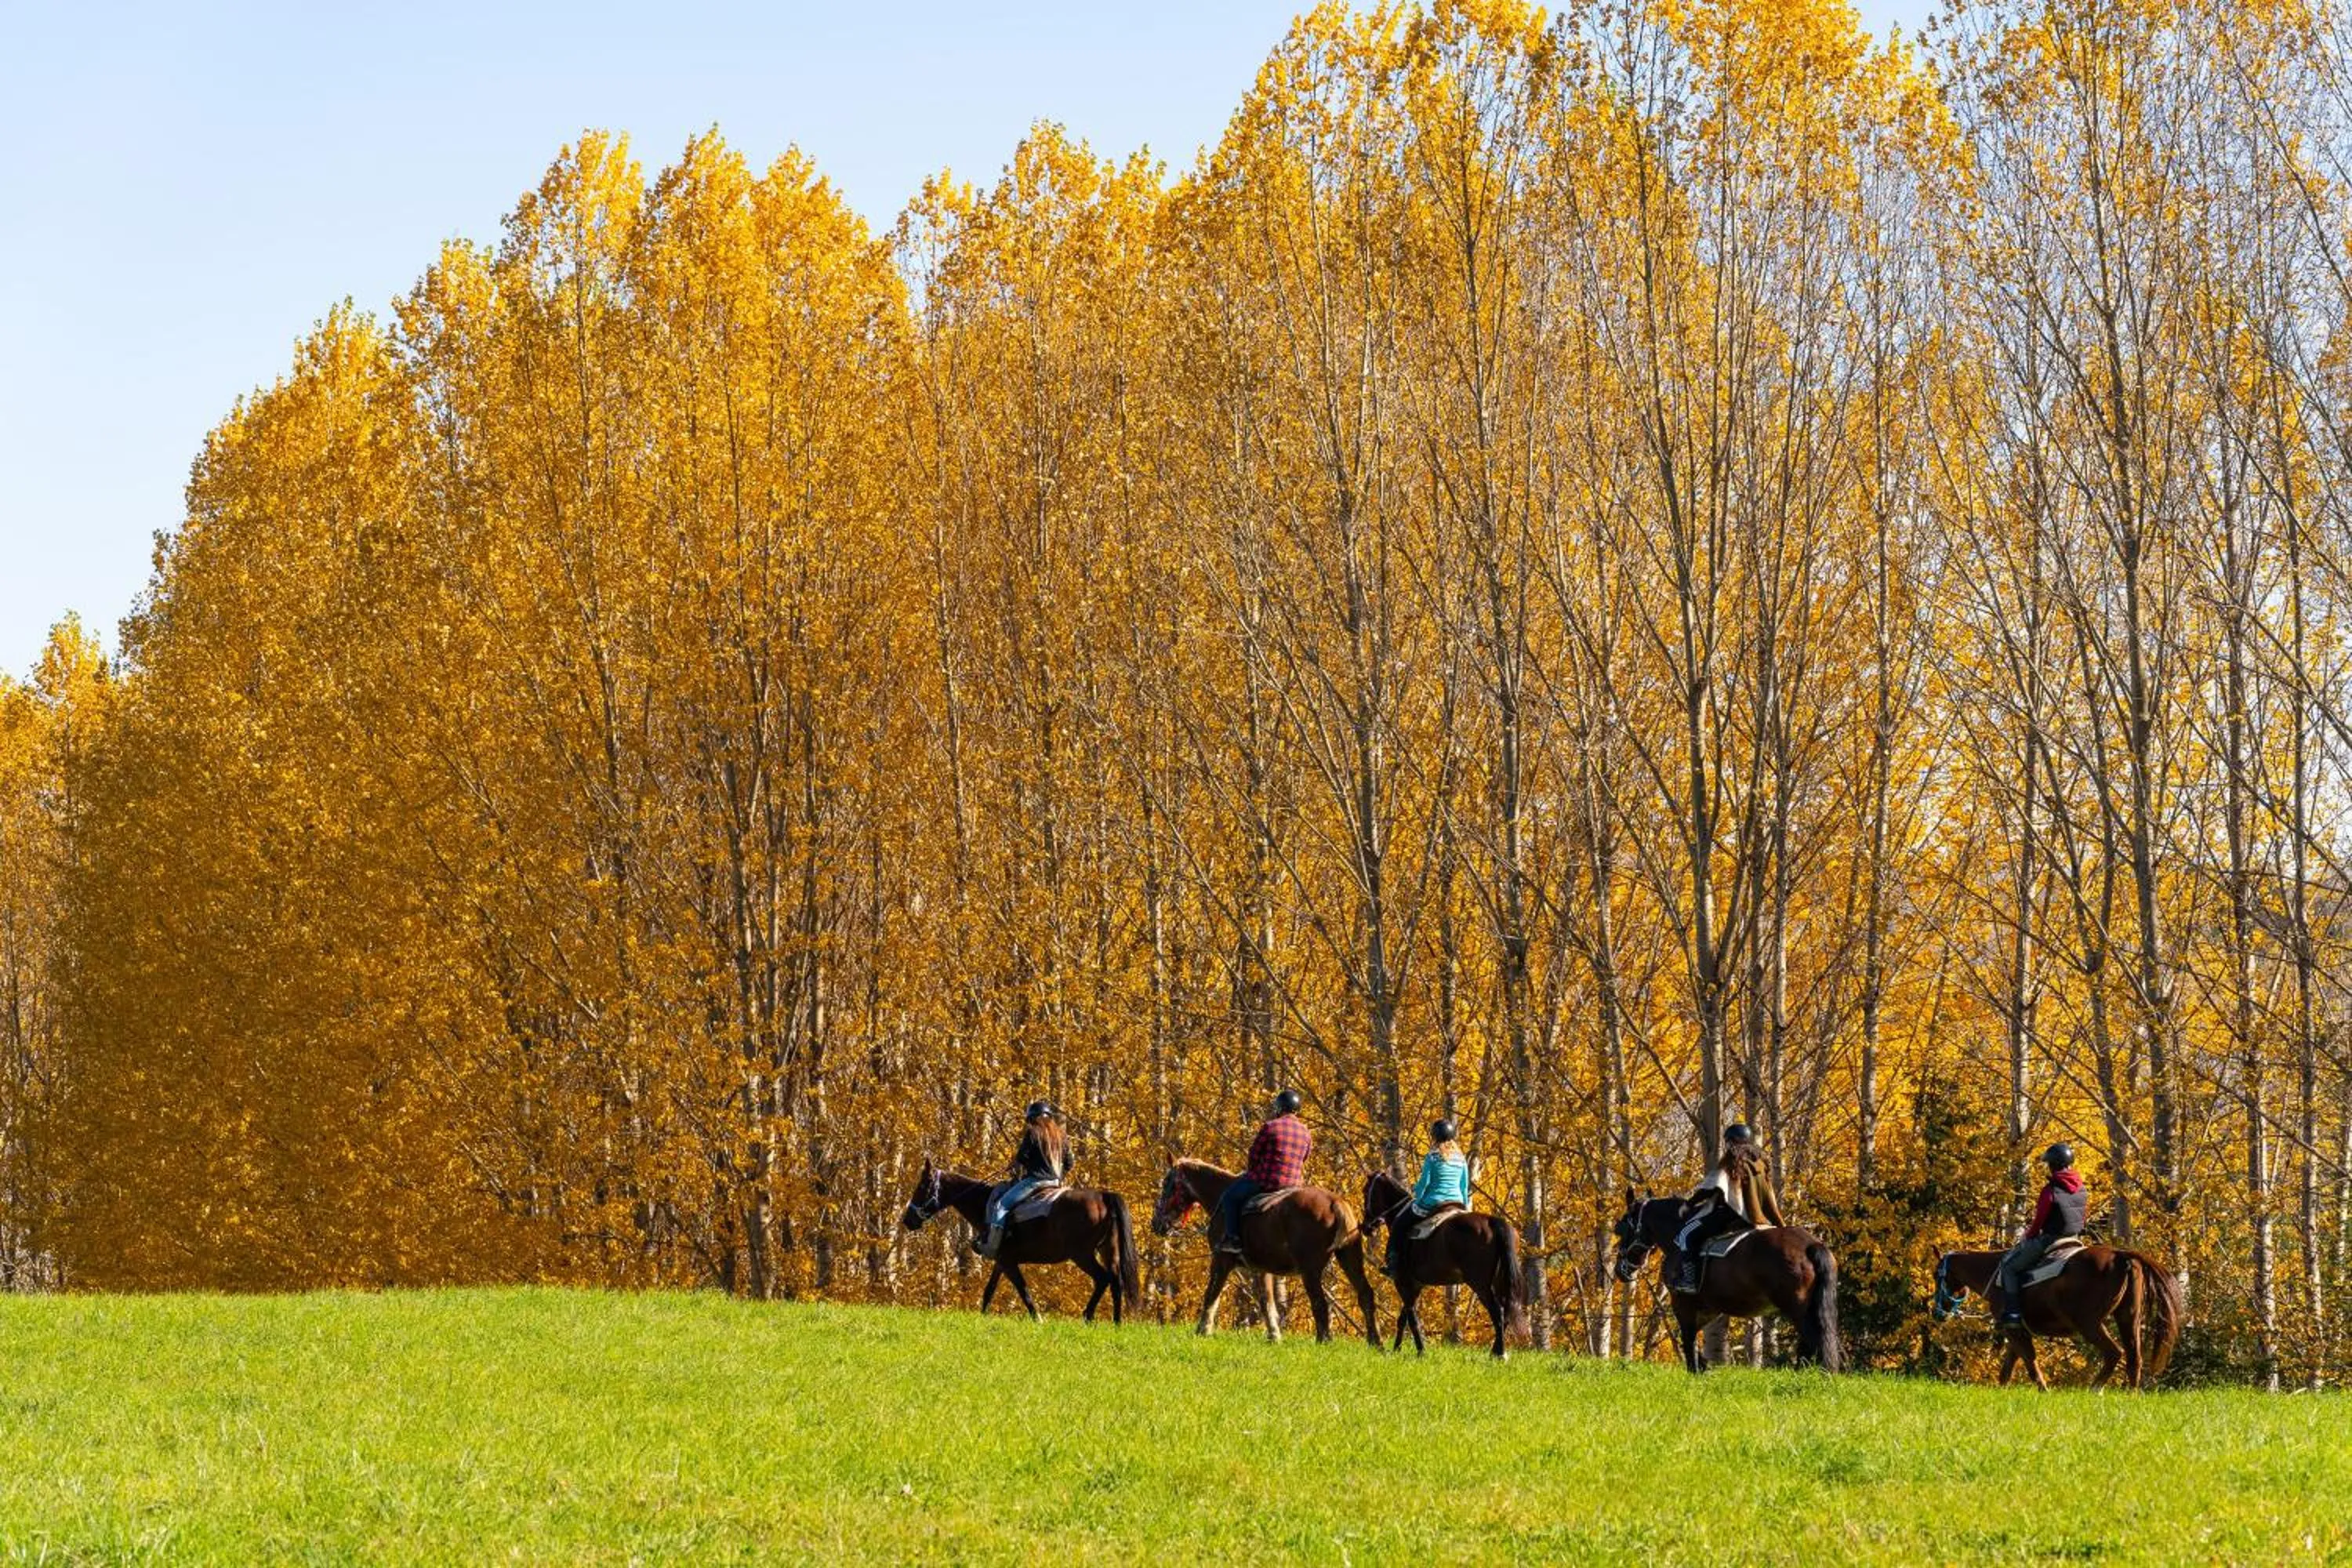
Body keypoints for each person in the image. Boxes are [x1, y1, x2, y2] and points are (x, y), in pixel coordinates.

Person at [1671, 1122, 1785, 1294]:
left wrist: (1689, 1204)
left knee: (1686, 1234)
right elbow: (1767, 1195)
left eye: (1728, 1141)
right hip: (1757, 1216)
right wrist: (1780, 1223)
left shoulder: (1733, 1159)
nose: (1727, 1145)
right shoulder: (1761, 1162)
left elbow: (1713, 1187)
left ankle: (1689, 1280)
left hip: (1731, 1215)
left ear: (1732, 1141)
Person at [1989, 1142, 2087, 1328]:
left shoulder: (2050, 1190)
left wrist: (2029, 1235)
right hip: (2074, 1239)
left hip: (2051, 1239)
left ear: (2052, 1165)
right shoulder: (2082, 1187)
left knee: (2009, 1267)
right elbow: (2083, 1216)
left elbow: (2039, 1220)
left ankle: (2013, 1314)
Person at [1215, 1090, 1312, 1260]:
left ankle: (1233, 1239)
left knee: (1229, 1197)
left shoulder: (1270, 1127)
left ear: (1280, 1108)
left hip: (1267, 1182)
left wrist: (1253, 1172)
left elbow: (1254, 1155)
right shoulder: (1306, 1132)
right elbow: (1305, 1157)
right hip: (1295, 1186)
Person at [979, 1100, 1070, 1258]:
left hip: (1036, 1181)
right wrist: (1059, 1177)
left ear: (1033, 1118)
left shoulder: (1033, 1133)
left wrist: (1015, 1165)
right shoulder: (1061, 1136)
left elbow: (1022, 1157)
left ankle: (991, 1247)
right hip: (1056, 1183)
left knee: (1001, 1205)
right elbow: (1069, 1163)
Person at [1386, 1118, 1472, 1279]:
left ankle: (1394, 1264)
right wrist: (1466, 1208)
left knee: (1399, 1224)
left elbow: (1425, 1183)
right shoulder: (1461, 1159)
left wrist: (1416, 1194)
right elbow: (1464, 1186)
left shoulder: (1432, 1157)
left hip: (1433, 1202)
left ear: (1434, 1137)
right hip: (1457, 1203)